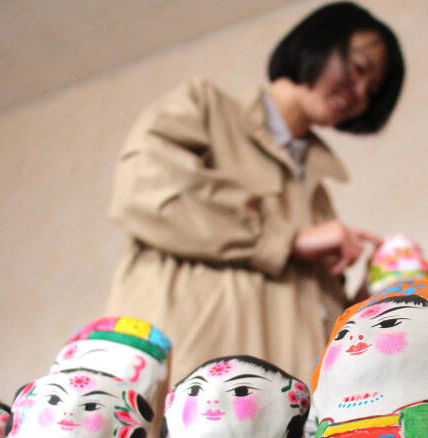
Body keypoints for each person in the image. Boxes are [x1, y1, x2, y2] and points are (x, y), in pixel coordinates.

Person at [105, 2, 404, 384]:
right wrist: (287, 238)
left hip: (283, 405)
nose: (360, 92)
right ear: (319, 43)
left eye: (371, 91)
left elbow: (298, 314)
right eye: (360, 68)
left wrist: (360, 302)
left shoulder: (318, 197)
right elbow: (144, 190)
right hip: (190, 389)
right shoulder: (205, 109)